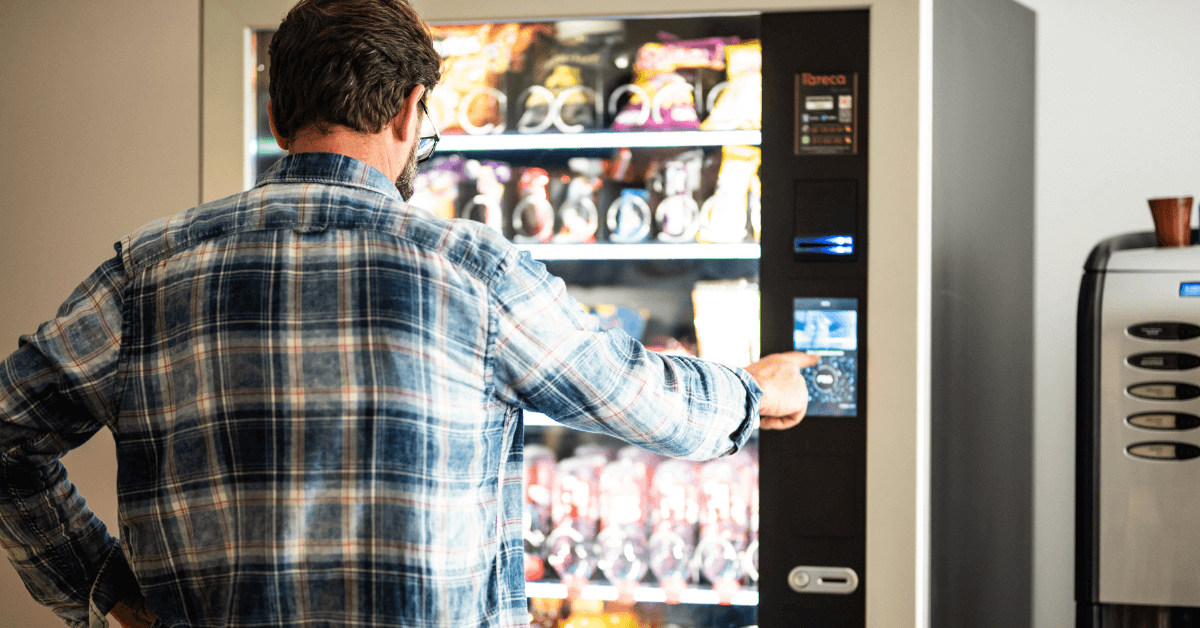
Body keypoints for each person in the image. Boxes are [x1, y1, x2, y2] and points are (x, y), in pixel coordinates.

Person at [0, 1, 817, 627]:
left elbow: (7, 432)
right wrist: (754, 391)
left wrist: (103, 589)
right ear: (409, 111)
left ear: (278, 119)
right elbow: (645, 401)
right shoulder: (471, 268)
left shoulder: (148, 270)